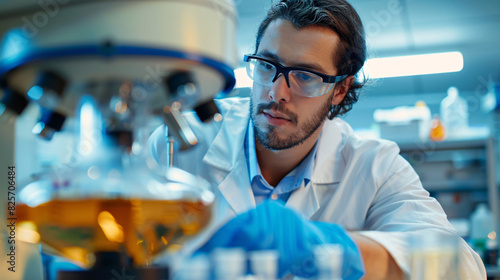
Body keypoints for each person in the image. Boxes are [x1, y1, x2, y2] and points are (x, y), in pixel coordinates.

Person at [149, 0, 486, 279]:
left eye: (305, 76)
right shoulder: (181, 141)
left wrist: (330, 247)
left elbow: (461, 266)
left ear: (340, 89)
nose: (277, 92)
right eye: (267, 66)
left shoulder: (374, 167)